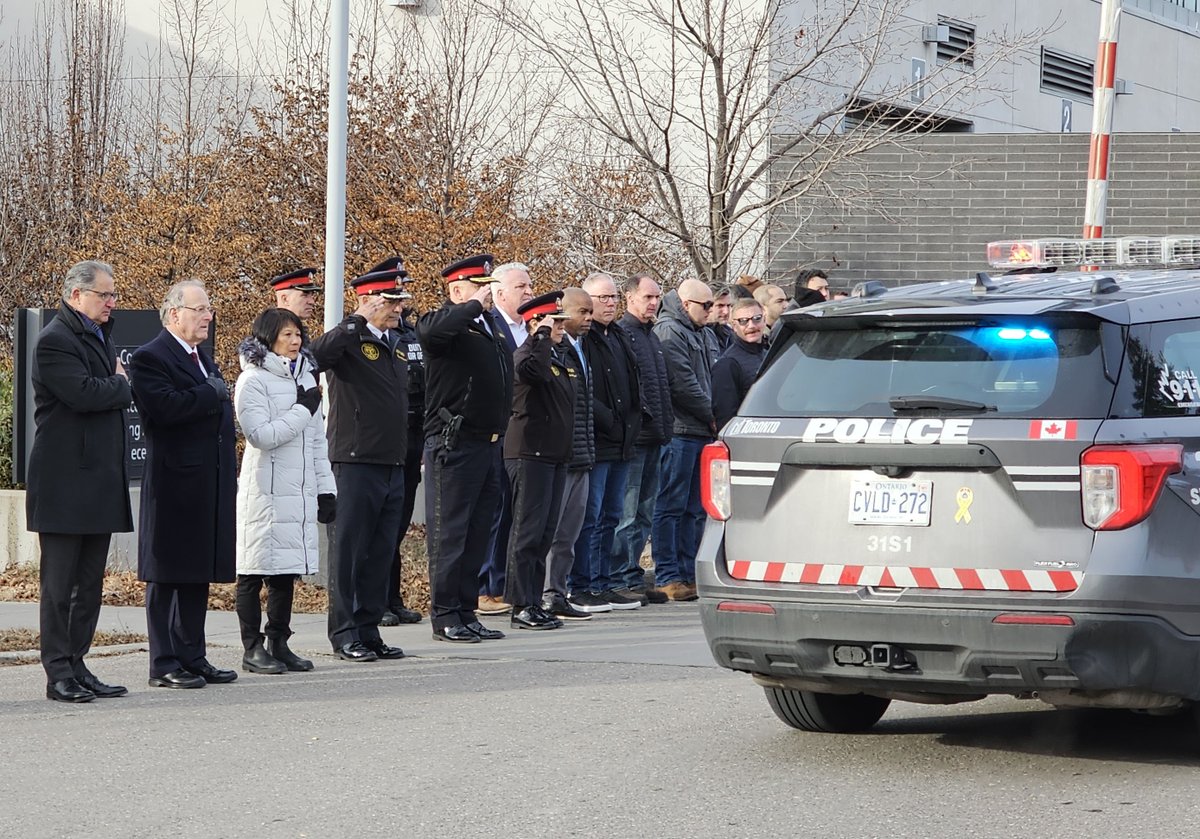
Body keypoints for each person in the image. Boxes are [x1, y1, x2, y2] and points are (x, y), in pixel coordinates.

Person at [27, 260, 132, 702]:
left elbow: (101, 388)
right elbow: (85, 394)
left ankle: (78, 663)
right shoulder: (55, 341)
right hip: (64, 484)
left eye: (112, 295)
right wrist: (121, 385)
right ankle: (57, 673)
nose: (111, 302)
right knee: (59, 586)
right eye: (103, 295)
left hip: (98, 481)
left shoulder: (98, 336)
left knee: (89, 584)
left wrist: (113, 383)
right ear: (76, 295)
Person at [130, 280, 237, 690]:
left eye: (208, 308)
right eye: (200, 309)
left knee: (196, 572)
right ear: (175, 314)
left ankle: (193, 655)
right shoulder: (149, 357)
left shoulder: (200, 357)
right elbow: (164, 409)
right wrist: (209, 395)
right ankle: (164, 661)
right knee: (167, 573)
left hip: (206, 482)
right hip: (174, 482)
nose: (208, 315)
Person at [309, 260, 409, 663]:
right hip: (354, 461)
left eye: (400, 300)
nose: (399, 308)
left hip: (392, 461)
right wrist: (353, 322)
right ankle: (344, 631)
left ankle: (369, 629)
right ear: (368, 300)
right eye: (391, 300)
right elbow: (317, 355)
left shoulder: (394, 342)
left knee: (381, 551)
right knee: (349, 551)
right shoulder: (348, 339)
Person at [233, 307, 335, 674]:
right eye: (288, 334)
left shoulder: (306, 377)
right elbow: (261, 435)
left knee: (285, 571)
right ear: (268, 337)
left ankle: (279, 641)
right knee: (253, 568)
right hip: (266, 490)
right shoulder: (253, 380)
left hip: (300, 489)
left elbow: (316, 443)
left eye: (299, 335)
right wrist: (302, 409)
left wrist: (326, 490)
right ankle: (251, 646)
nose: (296, 341)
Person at [419, 254, 514, 643]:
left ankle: (465, 610)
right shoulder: (445, 323)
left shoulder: (487, 325)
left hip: (488, 443)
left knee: (478, 534)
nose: (488, 295)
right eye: (480, 286)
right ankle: (444, 614)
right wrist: (472, 304)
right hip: (453, 443)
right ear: (457, 289)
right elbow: (430, 334)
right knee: (450, 534)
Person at [569, 273, 646, 612]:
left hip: (623, 440)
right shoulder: (582, 340)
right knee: (592, 515)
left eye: (614, 297)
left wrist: (634, 418)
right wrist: (609, 420)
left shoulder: (618, 336)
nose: (610, 303)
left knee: (613, 514)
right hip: (597, 439)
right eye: (602, 298)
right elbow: (583, 391)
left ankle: (604, 581)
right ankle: (583, 583)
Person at [504, 291, 575, 630]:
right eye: (554, 321)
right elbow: (533, 373)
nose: (561, 327)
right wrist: (542, 335)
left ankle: (533, 601)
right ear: (536, 323)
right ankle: (520, 605)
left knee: (544, 534)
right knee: (527, 533)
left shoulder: (554, 355)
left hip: (553, 455)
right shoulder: (526, 353)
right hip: (529, 454)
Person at [651, 279, 716, 602]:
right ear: (687, 303)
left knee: (694, 508)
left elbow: (711, 377)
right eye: (706, 306)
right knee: (671, 505)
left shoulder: (701, 332)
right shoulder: (670, 331)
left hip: (701, 430)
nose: (712, 311)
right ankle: (668, 574)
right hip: (681, 430)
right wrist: (714, 413)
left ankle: (689, 572)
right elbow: (683, 384)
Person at [478, 262, 535, 615]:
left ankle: (502, 584)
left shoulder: (529, 328)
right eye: (521, 287)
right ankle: (484, 587)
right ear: (499, 294)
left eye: (529, 286)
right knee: (493, 512)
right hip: (496, 431)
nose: (529, 293)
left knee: (514, 513)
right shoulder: (489, 324)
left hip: (524, 437)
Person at [611, 274, 673, 597]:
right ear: (630, 297)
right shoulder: (625, 335)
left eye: (657, 297)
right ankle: (620, 575)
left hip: (656, 437)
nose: (653, 303)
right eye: (648, 297)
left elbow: (660, 387)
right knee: (628, 512)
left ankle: (632, 572)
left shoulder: (651, 337)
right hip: (636, 440)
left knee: (644, 512)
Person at [543, 288, 595, 622]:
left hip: (581, 453)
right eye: (582, 312)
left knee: (569, 533)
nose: (588, 318)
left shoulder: (579, 349)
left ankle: (557, 592)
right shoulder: (555, 349)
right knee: (552, 530)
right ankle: (542, 594)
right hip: (560, 453)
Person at [382, 285, 425, 627]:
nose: (399, 306)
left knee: (397, 524)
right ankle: (377, 600)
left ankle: (392, 597)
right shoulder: (372, 338)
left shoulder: (411, 334)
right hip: (384, 439)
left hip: (413, 436)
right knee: (380, 528)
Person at [711, 298, 767, 430]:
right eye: (743, 321)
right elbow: (725, 419)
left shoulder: (770, 355)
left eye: (757, 318)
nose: (751, 325)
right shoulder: (728, 364)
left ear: (764, 320)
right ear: (734, 327)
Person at [706, 286, 734, 356]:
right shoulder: (697, 335)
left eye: (728, 306)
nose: (726, 312)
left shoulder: (731, 335)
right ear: (708, 306)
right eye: (720, 306)